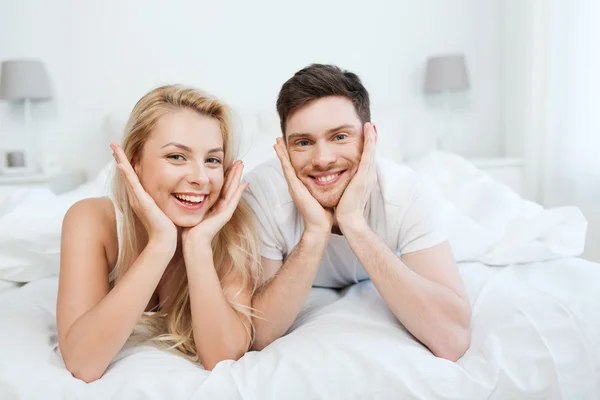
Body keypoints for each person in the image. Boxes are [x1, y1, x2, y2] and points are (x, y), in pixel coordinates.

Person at [243, 64, 472, 360]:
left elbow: (452, 339)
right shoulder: (262, 194)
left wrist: (354, 225)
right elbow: (258, 335)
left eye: (340, 137)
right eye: (303, 142)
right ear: (284, 150)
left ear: (370, 139)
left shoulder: (408, 193)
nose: (323, 159)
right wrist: (315, 234)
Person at [56, 85, 261, 383]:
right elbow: (82, 363)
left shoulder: (231, 225)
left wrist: (199, 244)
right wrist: (161, 243)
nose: (200, 178)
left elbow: (221, 358)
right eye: (177, 157)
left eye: (212, 160)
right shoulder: (90, 220)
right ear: (135, 162)